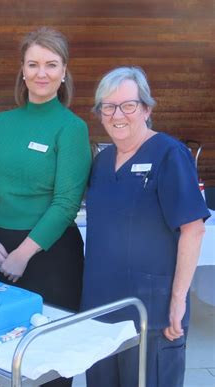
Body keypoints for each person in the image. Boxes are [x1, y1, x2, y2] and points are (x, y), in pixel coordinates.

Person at [0, 27, 92, 387]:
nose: (42, 73)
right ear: (22, 70)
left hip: (50, 255)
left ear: (63, 71)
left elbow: (66, 203)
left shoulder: (71, 128)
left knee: (48, 364)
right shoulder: (1, 123)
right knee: (0, 357)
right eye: (33, 64)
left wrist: (22, 255)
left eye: (51, 65)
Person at [81, 66, 210, 387]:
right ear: (99, 113)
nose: (117, 114)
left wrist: (179, 299)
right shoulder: (102, 161)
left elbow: (193, 229)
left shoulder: (169, 155)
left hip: (151, 310)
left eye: (128, 105)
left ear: (147, 109)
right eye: (107, 107)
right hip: (101, 307)